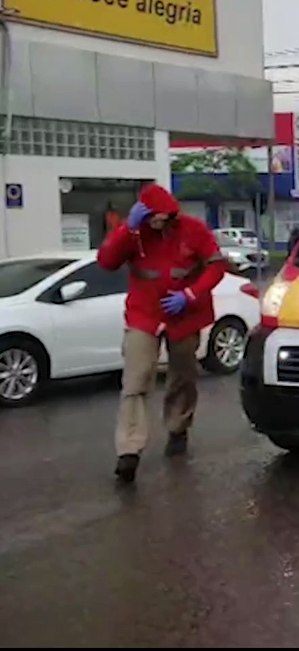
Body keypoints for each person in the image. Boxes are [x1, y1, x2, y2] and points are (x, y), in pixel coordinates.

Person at [97, 184, 227, 483]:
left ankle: (178, 426)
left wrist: (191, 295)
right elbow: (106, 261)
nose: (159, 223)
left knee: (182, 375)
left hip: (184, 314)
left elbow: (216, 267)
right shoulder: (134, 233)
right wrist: (127, 230)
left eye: (164, 217)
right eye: (153, 217)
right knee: (135, 379)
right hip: (144, 314)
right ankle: (129, 450)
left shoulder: (192, 229)